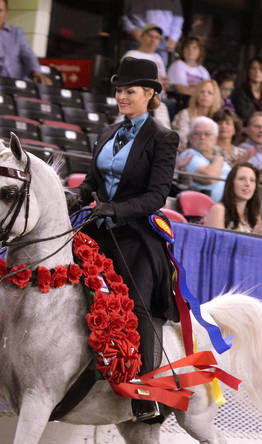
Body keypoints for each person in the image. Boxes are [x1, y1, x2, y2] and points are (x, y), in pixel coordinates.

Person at [65, 57, 179, 423]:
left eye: (130, 91)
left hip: (138, 235)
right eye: (118, 90)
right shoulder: (107, 132)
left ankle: (144, 392)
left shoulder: (163, 138)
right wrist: (78, 197)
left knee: (140, 303)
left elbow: (156, 197)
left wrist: (115, 210)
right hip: (100, 226)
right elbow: (92, 183)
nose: (121, 97)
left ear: (150, 94)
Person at [0, 0, 51, 83]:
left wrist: (36, 73)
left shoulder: (17, 33)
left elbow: (28, 55)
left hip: (20, 83)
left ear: (6, 14)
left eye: (0, 11)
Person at [206, 162, 262, 235]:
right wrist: (254, 236)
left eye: (252, 180)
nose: (247, 184)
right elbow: (217, 244)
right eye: (241, 179)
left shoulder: (256, 215)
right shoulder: (219, 209)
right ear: (231, 183)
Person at [176, 116, 231, 202]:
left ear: (215, 139)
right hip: (201, 209)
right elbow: (209, 178)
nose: (202, 137)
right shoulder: (188, 155)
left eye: (207, 134)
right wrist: (219, 160)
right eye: (197, 133)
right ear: (190, 138)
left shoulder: (222, 163)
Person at [121, 0, 183, 66]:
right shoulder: (131, 54)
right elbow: (123, 14)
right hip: (138, 38)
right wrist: (131, 29)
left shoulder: (159, 58)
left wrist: (173, 37)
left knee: (158, 71)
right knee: (132, 69)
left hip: (163, 40)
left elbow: (178, 17)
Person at [170, 79, 221, 149]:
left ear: (215, 97)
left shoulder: (218, 117)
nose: (205, 95)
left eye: (210, 93)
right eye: (202, 92)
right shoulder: (185, 114)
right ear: (197, 95)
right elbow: (183, 139)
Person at [122, 23, 168, 93]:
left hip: (159, 98)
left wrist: (165, 83)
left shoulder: (158, 57)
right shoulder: (131, 55)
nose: (153, 40)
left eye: (157, 37)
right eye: (150, 36)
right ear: (141, 37)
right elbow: (126, 80)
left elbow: (163, 80)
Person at [230, 56, 262, 123]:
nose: (257, 72)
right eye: (253, 68)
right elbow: (243, 115)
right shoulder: (240, 93)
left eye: (261, 69)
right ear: (248, 71)